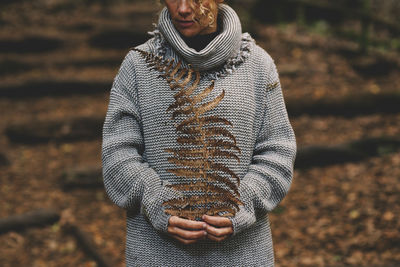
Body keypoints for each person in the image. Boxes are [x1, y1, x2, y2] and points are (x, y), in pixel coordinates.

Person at [102, 0, 297, 266]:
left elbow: (277, 151)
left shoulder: (258, 65)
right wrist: (158, 202)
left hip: (242, 255)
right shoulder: (137, 65)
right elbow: (118, 154)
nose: (183, 9)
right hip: (156, 255)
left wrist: (241, 202)